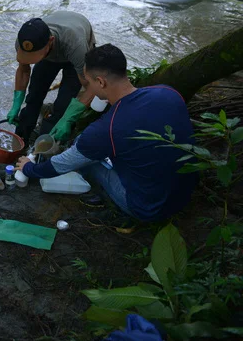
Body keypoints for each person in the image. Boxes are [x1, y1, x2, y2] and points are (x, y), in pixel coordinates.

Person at [15, 44, 198, 223]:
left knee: (86, 159)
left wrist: (29, 169)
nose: (88, 88)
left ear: (101, 82)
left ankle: (117, 208)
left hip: (148, 208)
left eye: (88, 82)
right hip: (184, 195)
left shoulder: (107, 128)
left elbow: (60, 166)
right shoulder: (168, 93)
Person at [7, 11, 97, 145]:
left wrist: (69, 118)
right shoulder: (24, 40)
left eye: (34, 57)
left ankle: (43, 147)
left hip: (73, 53)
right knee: (33, 96)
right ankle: (21, 140)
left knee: (63, 105)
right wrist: (16, 103)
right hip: (47, 55)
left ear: (51, 41)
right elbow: (24, 70)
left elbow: (91, 86)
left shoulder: (76, 46)